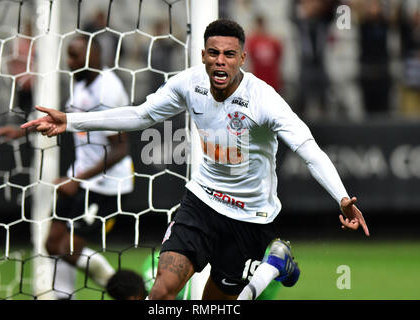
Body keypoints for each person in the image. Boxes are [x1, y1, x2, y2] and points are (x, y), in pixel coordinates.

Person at [21, 19, 369, 300]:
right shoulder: (190, 84)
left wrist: (341, 197)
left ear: (242, 59)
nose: (221, 60)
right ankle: (272, 265)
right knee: (160, 294)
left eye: (230, 54)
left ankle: (274, 264)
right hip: (201, 204)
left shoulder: (264, 100)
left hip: (250, 218)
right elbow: (141, 115)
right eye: (214, 53)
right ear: (203, 55)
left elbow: (308, 148)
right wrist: (70, 122)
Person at [0, 35, 134, 299]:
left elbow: (120, 150)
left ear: (93, 55)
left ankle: (125, 289)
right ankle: (64, 296)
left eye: (74, 56)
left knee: (66, 246)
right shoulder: (81, 86)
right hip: (81, 177)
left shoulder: (109, 91)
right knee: (52, 243)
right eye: (68, 55)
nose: (69, 63)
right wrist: (23, 131)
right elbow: (64, 121)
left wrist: (77, 180)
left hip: (106, 186)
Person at [245, 15, 283, 93]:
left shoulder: (274, 42)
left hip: (272, 81)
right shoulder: (251, 41)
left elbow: (279, 58)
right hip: (257, 82)